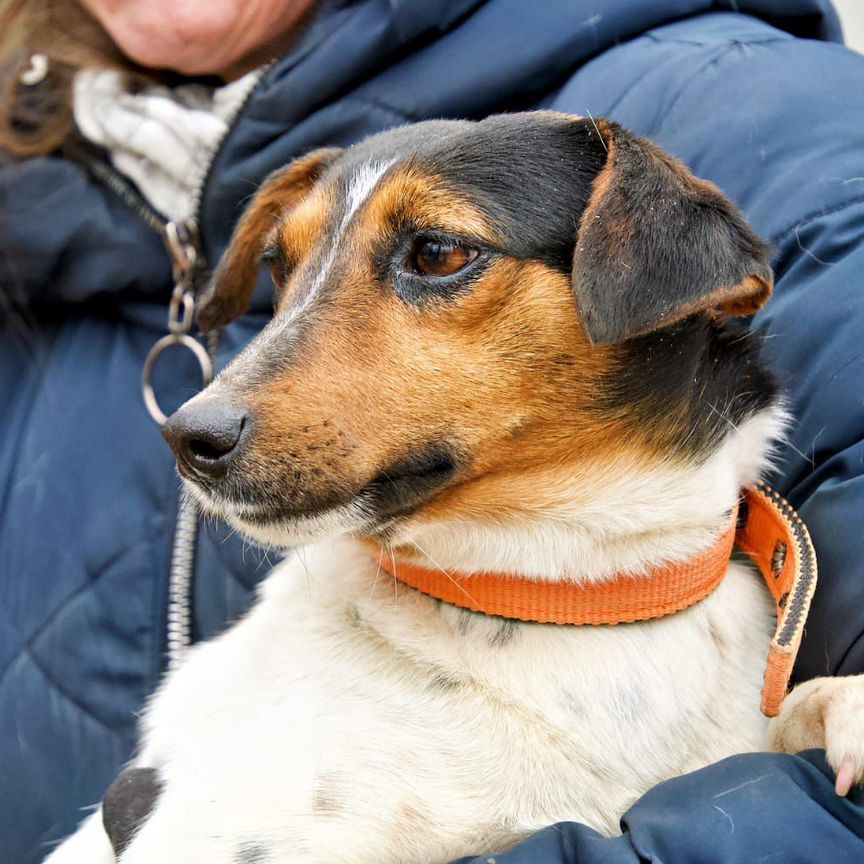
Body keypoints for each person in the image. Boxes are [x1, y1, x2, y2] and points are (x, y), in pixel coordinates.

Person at [2, 1, 864, 862]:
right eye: (289, 267)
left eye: (437, 258)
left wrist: (809, 720)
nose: (216, 410)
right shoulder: (39, 218)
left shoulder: (742, 96)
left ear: (657, 278)